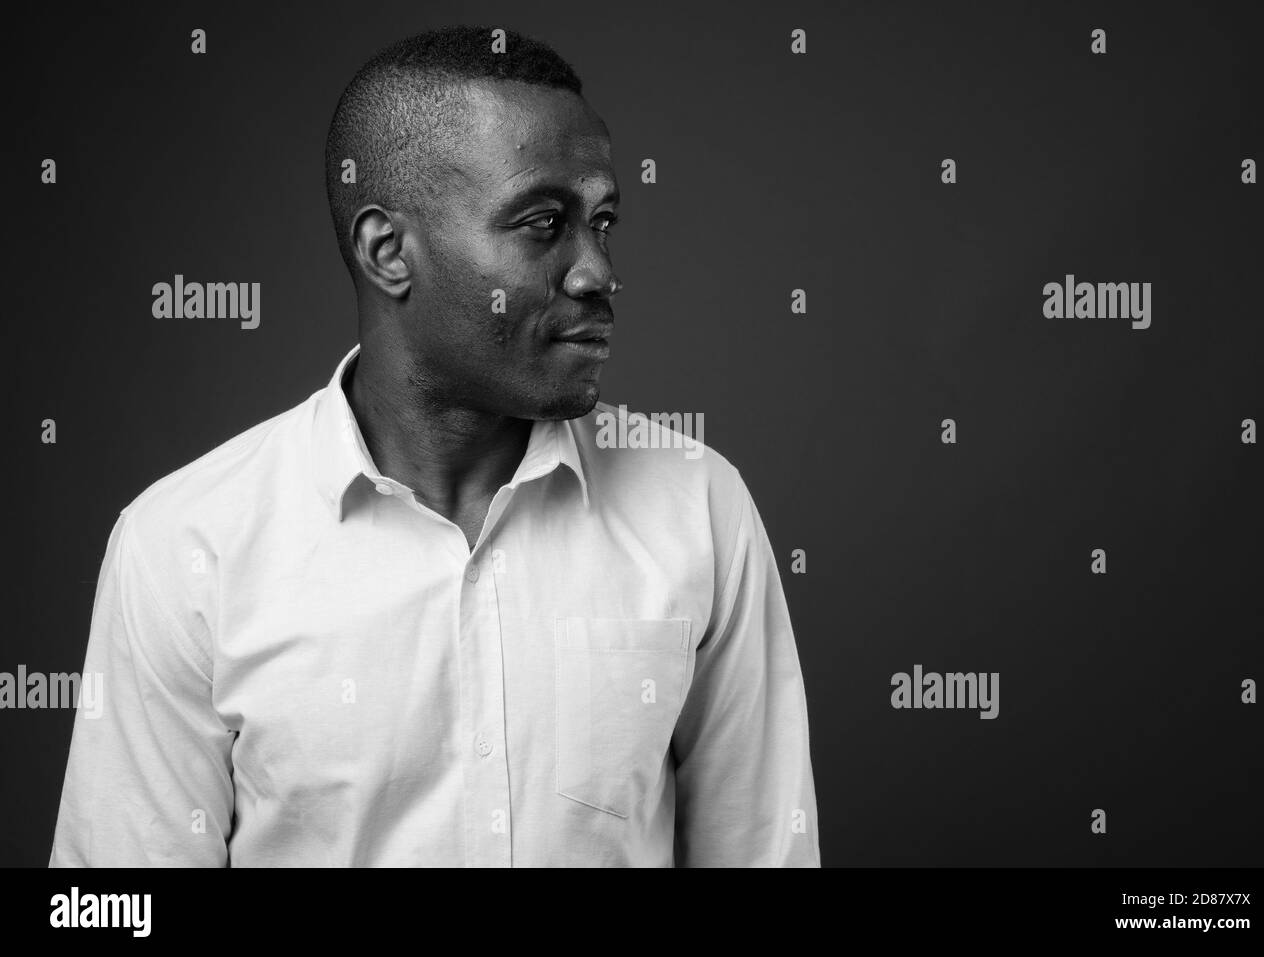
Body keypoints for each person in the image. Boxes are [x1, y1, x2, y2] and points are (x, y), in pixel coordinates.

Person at [49, 24, 820, 867]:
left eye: (603, 221)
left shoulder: (698, 508)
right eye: (543, 223)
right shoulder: (182, 546)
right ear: (388, 251)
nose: (598, 270)